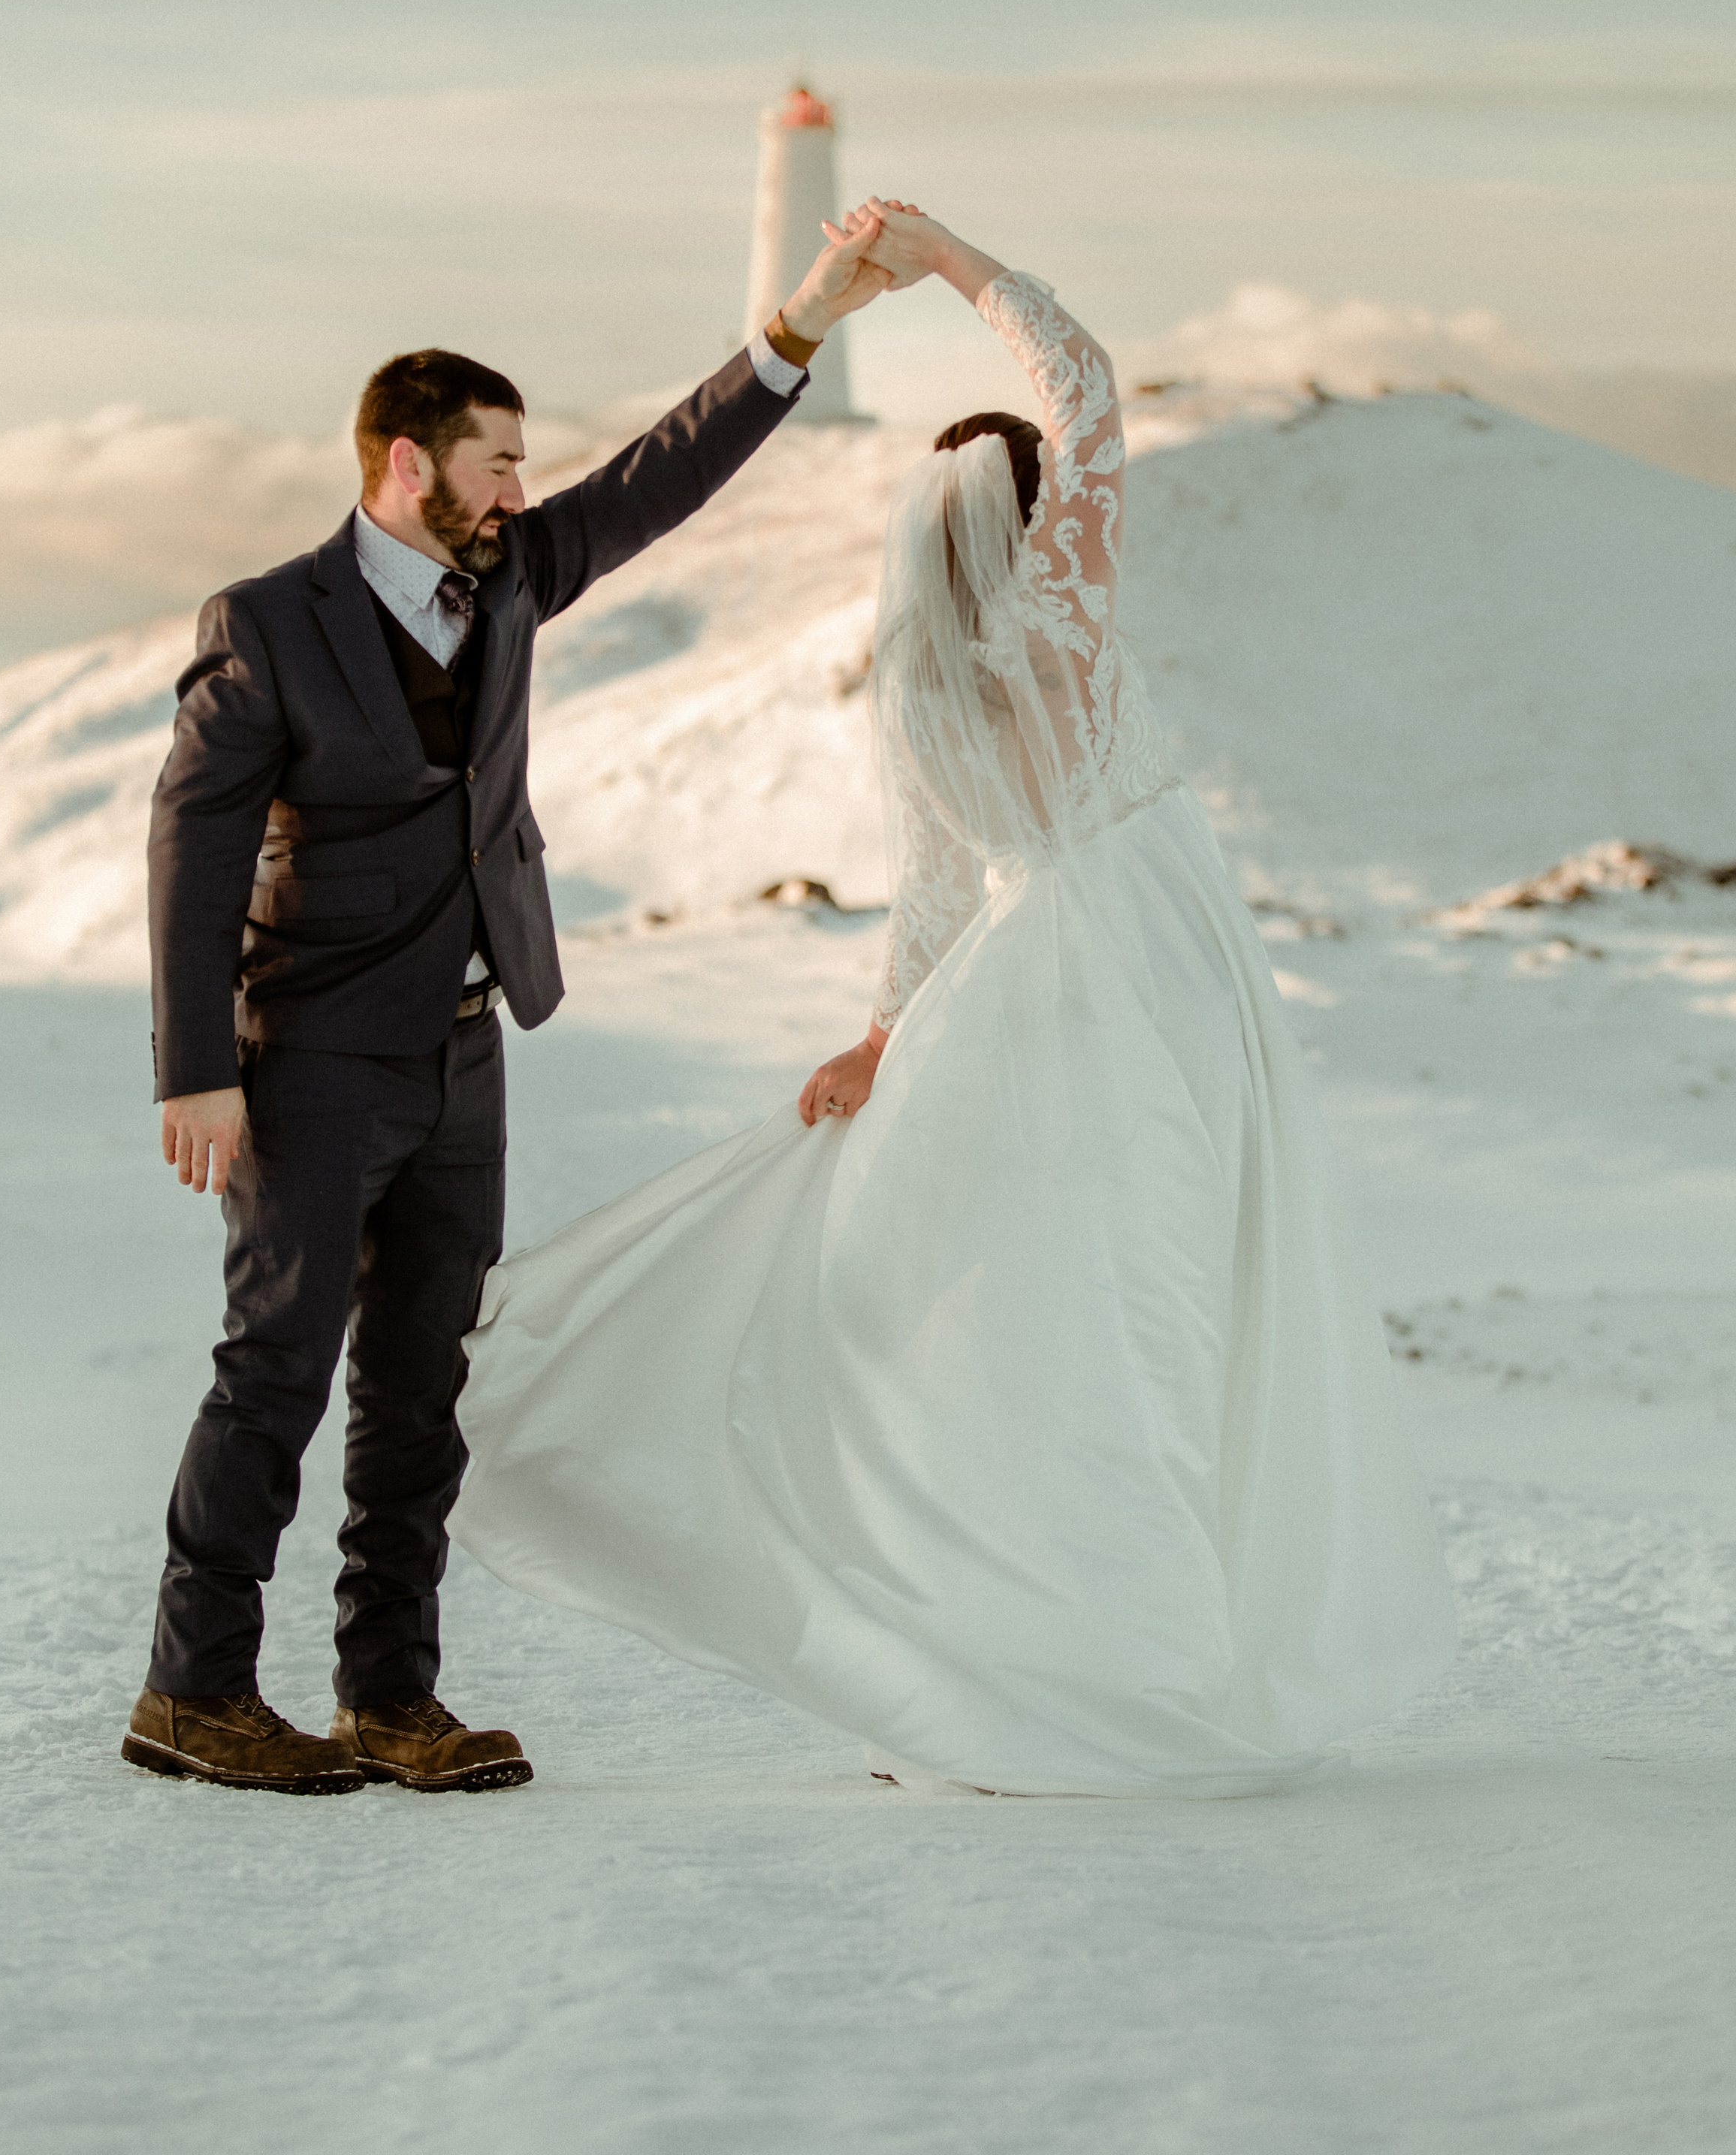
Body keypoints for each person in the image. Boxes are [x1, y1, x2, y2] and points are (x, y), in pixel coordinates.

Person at [450, 202, 1457, 1797]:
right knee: (1163, 1307)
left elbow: (932, 886)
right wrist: (954, 266)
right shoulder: (1062, 605)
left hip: (1005, 987)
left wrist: (881, 1035)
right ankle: (1131, 1660)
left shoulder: (919, 685)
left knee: (1026, 1327)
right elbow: (1092, 386)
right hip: (1148, 963)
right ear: (1033, 514)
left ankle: (990, 1654)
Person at [122, 222, 892, 1797]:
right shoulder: (268, 623)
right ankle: (192, 1691)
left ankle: (385, 1697)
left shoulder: (513, 577)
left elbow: (657, 478)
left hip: (463, 1050)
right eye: (497, 463)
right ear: (410, 465)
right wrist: (196, 1071)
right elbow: (191, 853)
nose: (523, 490)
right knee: (276, 1366)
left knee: (422, 1383)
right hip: (314, 1055)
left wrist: (803, 322)